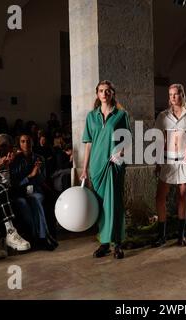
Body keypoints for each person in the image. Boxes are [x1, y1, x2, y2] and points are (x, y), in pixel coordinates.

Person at [80, 80, 131, 259]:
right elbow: (88, 144)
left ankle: (117, 243)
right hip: (96, 165)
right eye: (101, 91)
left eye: (107, 91)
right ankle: (104, 243)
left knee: (115, 204)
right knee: (100, 205)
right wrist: (85, 169)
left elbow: (127, 139)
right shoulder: (91, 117)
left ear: (112, 93)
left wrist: (120, 152)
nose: (104, 93)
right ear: (97, 94)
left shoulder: (121, 115)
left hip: (114, 164)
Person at [152, 84, 186, 247]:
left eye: (176, 94)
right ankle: (162, 235)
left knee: (182, 196)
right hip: (167, 160)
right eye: (171, 94)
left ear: (182, 95)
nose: (173, 97)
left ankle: (181, 236)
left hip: (184, 160)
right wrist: (158, 161)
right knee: (160, 197)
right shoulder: (163, 116)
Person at [10, 134, 58, 251]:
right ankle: (40, 236)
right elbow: (15, 183)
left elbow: (42, 180)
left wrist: (38, 172)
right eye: (23, 141)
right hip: (20, 193)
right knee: (23, 203)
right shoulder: (15, 160)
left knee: (35, 199)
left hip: (35, 191)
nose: (26, 144)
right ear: (19, 144)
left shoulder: (39, 158)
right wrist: (31, 175)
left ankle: (41, 237)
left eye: (28, 141)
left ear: (32, 143)